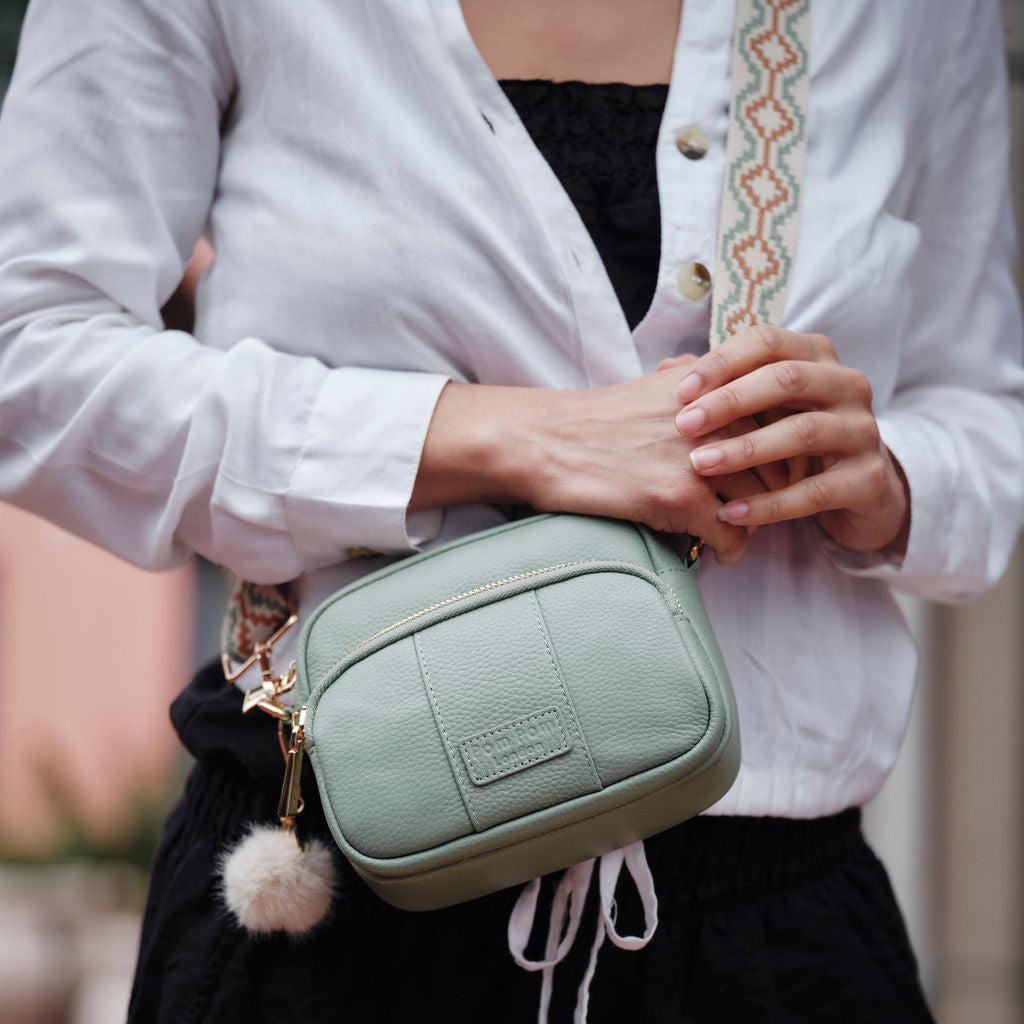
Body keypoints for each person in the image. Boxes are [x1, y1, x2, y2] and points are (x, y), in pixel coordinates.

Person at [0, 0, 1021, 1020]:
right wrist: (513, 439)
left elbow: (984, 425)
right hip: (332, 909)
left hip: (778, 942)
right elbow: (30, 357)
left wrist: (886, 481)